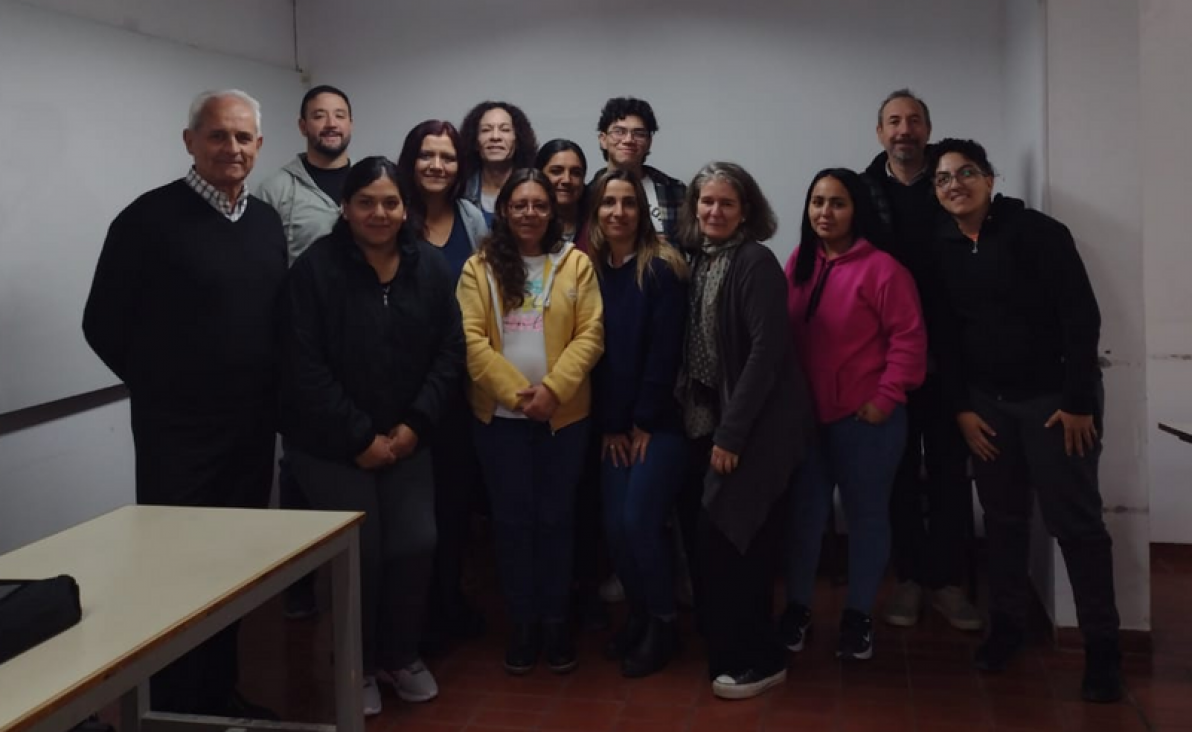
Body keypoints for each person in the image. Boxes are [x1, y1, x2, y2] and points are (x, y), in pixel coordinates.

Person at [82, 89, 285, 720]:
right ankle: (173, 709)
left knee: (231, 572)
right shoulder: (146, 220)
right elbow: (102, 325)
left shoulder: (264, 223)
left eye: (244, 138)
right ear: (190, 141)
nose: (233, 149)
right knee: (175, 576)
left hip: (251, 435)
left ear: (258, 146)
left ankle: (219, 694)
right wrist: (168, 392)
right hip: (178, 440)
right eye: (219, 136)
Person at [927, 138, 1122, 703]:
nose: (954, 184)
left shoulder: (1038, 233)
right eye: (943, 179)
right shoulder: (941, 247)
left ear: (990, 179)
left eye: (966, 173)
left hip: (1055, 405)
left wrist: (1080, 400)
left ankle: (1103, 649)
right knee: (1004, 521)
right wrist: (962, 408)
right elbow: (948, 338)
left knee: (1078, 527)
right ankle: (1006, 627)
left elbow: (1081, 318)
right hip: (987, 407)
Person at [279, 156, 465, 716]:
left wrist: (412, 429)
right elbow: (302, 365)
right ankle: (354, 663)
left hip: (408, 438)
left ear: (405, 208)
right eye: (366, 202)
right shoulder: (314, 271)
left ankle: (399, 655)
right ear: (346, 208)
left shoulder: (429, 268)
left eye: (390, 202)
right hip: (333, 446)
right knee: (362, 552)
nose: (379, 213)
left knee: (414, 543)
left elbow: (449, 353)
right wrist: (360, 437)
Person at [456, 169, 604, 676]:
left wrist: (553, 392)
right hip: (499, 421)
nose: (530, 213)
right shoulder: (479, 267)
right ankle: (522, 623)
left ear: (553, 211)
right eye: (519, 205)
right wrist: (518, 397)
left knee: (557, 521)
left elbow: (591, 335)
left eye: (539, 205)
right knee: (513, 523)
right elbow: (471, 341)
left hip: (564, 420)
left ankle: (556, 622)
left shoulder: (576, 263)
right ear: (504, 211)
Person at [674, 162, 812, 700]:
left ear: (746, 211)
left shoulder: (754, 261)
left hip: (757, 429)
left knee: (737, 541)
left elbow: (765, 355)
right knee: (716, 542)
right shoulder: (701, 260)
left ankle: (759, 659)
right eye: (706, 202)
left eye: (726, 204)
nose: (714, 211)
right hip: (711, 422)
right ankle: (730, 644)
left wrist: (730, 437)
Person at [781, 168, 927, 662]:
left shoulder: (884, 269)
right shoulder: (799, 261)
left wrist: (884, 398)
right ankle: (798, 608)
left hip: (867, 421)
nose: (825, 212)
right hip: (807, 422)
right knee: (804, 519)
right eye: (817, 201)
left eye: (837, 203)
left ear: (856, 209)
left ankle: (858, 615)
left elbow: (909, 342)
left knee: (866, 519)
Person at [861, 89, 980, 631]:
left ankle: (948, 581)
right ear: (880, 132)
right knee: (899, 473)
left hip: (952, 355)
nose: (903, 130)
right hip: (886, 359)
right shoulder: (862, 193)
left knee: (952, 471)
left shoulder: (950, 187)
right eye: (893, 121)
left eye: (913, 121)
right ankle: (908, 577)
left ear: (928, 130)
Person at [256, 83, 354, 621]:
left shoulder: (372, 182)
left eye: (339, 115)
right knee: (299, 469)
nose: (330, 123)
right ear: (302, 126)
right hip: (303, 349)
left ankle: (356, 573)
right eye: (319, 115)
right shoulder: (277, 189)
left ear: (351, 125)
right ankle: (299, 584)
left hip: (363, 346)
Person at [588, 170, 689, 677]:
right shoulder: (590, 272)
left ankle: (664, 623)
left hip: (659, 424)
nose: (618, 212)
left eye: (628, 202)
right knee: (614, 528)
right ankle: (640, 614)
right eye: (608, 202)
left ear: (641, 211)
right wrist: (611, 424)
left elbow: (664, 352)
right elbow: (596, 357)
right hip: (612, 424)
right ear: (596, 212)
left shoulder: (663, 268)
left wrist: (643, 420)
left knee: (639, 523)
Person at [395, 119, 489, 646]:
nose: (437, 165)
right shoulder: (391, 215)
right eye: (428, 155)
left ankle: (447, 602)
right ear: (412, 160)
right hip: (402, 386)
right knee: (410, 512)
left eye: (448, 157)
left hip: (459, 384)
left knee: (453, 502)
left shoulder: (473, 219)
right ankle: (410, 616)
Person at [591, 97, 686, 242]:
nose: (628, 140)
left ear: (649, 142)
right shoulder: (588, 194)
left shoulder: (675, 191)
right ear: (603, 140)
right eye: (619, 131)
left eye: (639, 134)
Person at [459, 101, 538, 225]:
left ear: (517, 141)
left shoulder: (536, 189)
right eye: (486, 130)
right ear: (475, 142)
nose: (495, 137)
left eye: (505, 130)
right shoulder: (460, 190)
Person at [534, 139, 589, 247]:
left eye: (575, 173)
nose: (566, 180)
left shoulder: (597, 227)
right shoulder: (527, 223)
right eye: (556, 171)